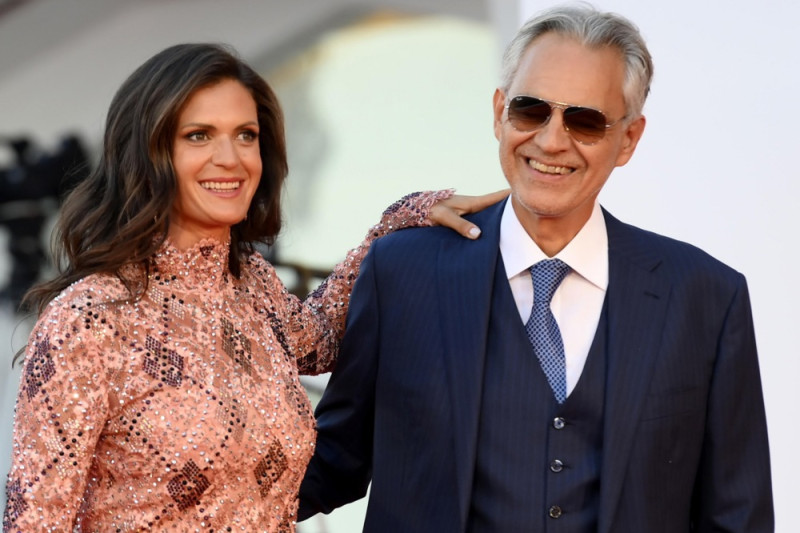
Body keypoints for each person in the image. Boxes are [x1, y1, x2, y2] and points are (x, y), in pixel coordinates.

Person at [298, 4, 774, 532]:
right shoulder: (401, 272)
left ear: (629, 140)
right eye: (531, 110)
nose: (551, 140)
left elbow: (738, 515)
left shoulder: (706, 297)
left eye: (585, 120)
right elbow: (332, 462)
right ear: (500, 112)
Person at [1, 42, 503, 532]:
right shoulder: (89, 320)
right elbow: (35, 521)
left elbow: (325, 335)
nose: (231, 158)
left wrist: (399, 222)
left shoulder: (252, 286)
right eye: (198, 136)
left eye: (246, 135)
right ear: (148, 153)